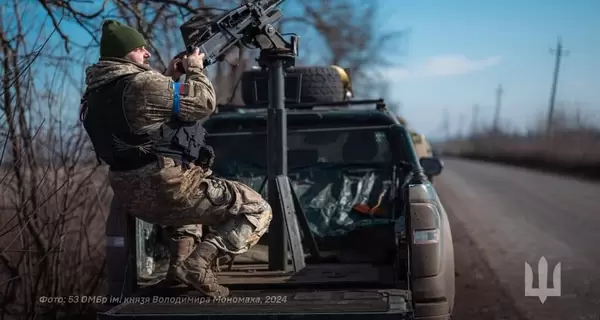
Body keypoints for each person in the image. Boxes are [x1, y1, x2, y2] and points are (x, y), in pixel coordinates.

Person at [80, 20, 272, 298]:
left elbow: (143, 112)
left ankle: (177, 271)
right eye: (138, 49)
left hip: (131, 196)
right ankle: (199, 262)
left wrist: (169, 75)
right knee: (257, 209)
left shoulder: (96, 93)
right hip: (168, 186)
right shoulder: (142, 82)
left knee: (187, 210)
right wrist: (195, 67)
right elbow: (204, 103)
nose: (146, 53)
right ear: (122, 54)